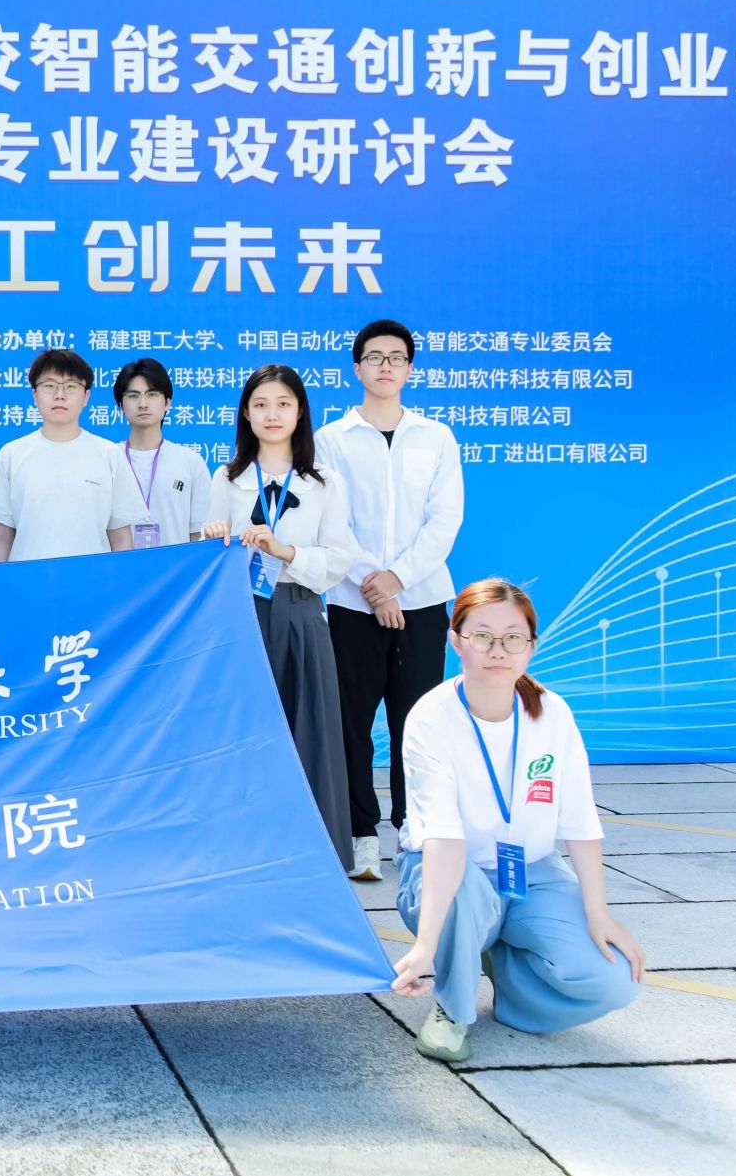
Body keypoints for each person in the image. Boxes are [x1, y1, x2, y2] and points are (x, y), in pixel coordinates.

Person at [389, 579, 644, 1063]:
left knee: (613, 981)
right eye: (482, 635)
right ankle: (452, 1008)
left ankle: (511, 987)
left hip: (530, 870)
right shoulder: (431, 717)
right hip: (448, 871)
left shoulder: (552, 713)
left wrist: (598, 911)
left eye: (513, 637)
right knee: (462, 892)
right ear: (456, 640)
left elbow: (580, 822)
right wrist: (424, 946)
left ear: (531, 645)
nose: (498, 650)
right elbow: (443, 838)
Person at [318, 318, 465, 881]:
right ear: (357, 368)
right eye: (374, 357)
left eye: (396, 357)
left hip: (421, 601)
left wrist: (397, 580)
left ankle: (412, 832)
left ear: (410, 369)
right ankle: (360, 834)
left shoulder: (436, 437)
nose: (385, 365)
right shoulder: (331, 440)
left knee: (416, 723)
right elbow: (333, 522)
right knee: (351, 724)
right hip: (351, 604)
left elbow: (444, 520)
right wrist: (373, 585)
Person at [201, 365, 358, 862]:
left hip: (300, 611)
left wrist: (286, 551)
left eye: (284, 404)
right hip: (242, 617)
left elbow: (339, 559)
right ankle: (243, 848)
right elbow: (210, 559)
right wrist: (213, 539)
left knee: (310, 730)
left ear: (300, 412)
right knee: (242, 729)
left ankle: (316, 853)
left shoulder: (325, 482)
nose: (272, 414)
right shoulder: (226, 478)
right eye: (261, 404)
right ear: (246, 414)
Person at [0, 348, 147, 562]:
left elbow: (121, 538)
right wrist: (0, 581)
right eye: (49, 386)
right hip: (28, 580)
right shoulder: (11, 454)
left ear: (86, 396)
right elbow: (1, 538)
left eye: (71, 386)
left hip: (94, 580)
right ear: (35, 395)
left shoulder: (109, 454)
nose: (60, 395)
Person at [112, 357, 211, 548]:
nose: (143, 404)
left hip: (178, 567)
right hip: (120, 567)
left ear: (167, 403)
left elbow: (199, 534)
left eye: (152, 394)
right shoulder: (109, 459)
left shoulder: (190, 462)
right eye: (133, 395)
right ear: (121, 405)